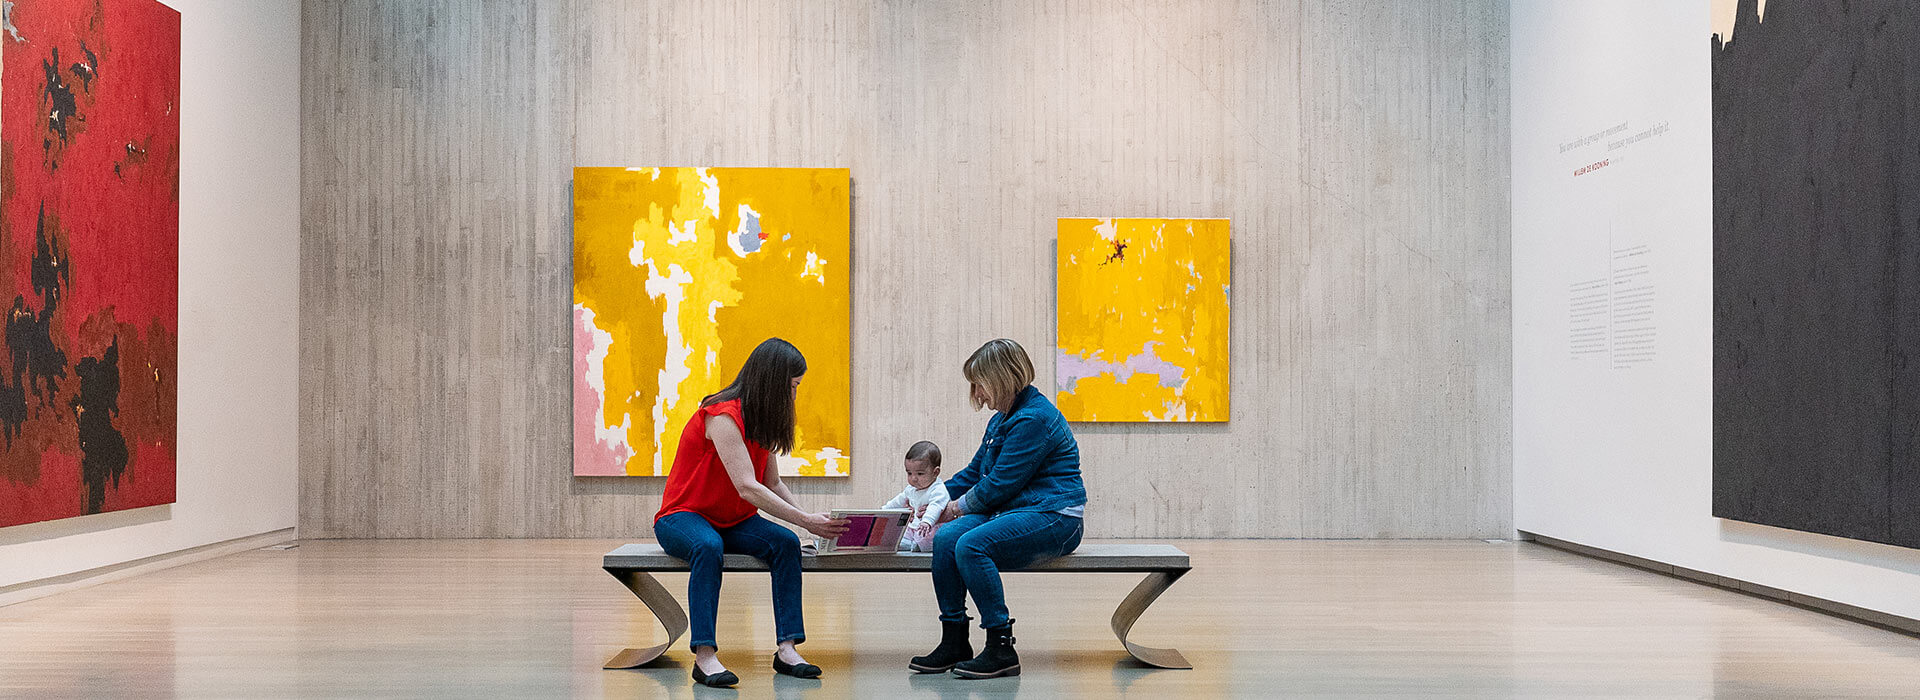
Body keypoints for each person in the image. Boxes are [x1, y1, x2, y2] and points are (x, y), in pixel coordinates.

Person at [652, 338, 849, 687]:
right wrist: (807, 521)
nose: (794, 395)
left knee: (786, 544)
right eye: (791, 386)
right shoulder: (722, 415)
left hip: (733, 520)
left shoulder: (762, 421)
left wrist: (808, 525)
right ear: (773, 383)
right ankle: (705, 656)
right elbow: (747, 486)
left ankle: (787, 649)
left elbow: (771, 483)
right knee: (706, 546)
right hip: (682, 516)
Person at [909, 339, 1088, 679]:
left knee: (971, 544)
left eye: (979, 383)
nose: (976, 393)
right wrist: (925, 496)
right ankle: (955, 639)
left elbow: (1001, 483)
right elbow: (975, 473)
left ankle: (1001, 646)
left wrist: (953, 508)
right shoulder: (1003, 418)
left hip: (1054, 516)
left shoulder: (1033, 418)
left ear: (1001, 378)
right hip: (1015, 511)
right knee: (947, 540)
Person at [881, 441, 949, 552]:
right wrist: (883, 511)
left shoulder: (938, 489)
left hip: (930, 526)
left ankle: (920, 546)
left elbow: (936, 506)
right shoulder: (911, 489)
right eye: (909, 473)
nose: (913, 478)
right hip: (913, 527)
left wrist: (927, 521)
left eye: (920, 474)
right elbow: (899, 501)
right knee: (899, 533)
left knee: (928, 537)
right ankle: (907, 544)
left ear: (935, 472)